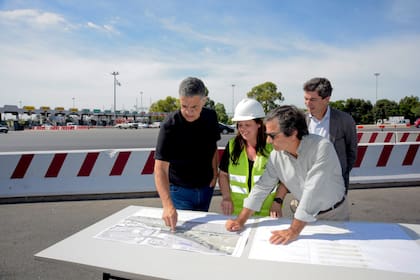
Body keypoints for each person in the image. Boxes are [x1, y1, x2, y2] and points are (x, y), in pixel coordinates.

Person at [225, 105, 348, 245]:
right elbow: (262, 188)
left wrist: (293, 230)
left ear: (293, 132)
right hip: (302, 217)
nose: (268, 141)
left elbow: (313, 191)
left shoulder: (322, 148)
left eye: (272, 136)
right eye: (267, 135)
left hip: (334, 215)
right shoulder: (276, 155)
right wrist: (240, 220)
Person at [154, 77, 220, 231]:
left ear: (204, 101)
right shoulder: (169, 126)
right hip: (180, 191)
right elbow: (160, 169)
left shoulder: (211, 117)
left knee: (200, 232)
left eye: (194, 107)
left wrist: (215, 173)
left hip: (206, 189)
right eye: (184, 106)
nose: (189, 112)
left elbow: (213, 148)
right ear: (179, 100)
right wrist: (167, 205)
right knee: (182, 236)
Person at [218, 98, 285, 217]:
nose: (243, 129)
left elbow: (285, 179)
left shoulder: (273, 146)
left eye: (247, 125)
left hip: (267, 213)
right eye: (240, 125)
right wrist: (226, 198)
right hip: (237, 213)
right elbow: (223, 175)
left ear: (259, 124)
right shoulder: (232, 145)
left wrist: (277, 202)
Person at [303, 77, 357, 192]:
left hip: (335, 184)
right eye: (306, 99)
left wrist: (342, 173)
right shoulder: (301, 121)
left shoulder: (344, 120)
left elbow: (351, 151)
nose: (308, 103)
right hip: (307, 184)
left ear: (326, 99)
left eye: (313, 99)